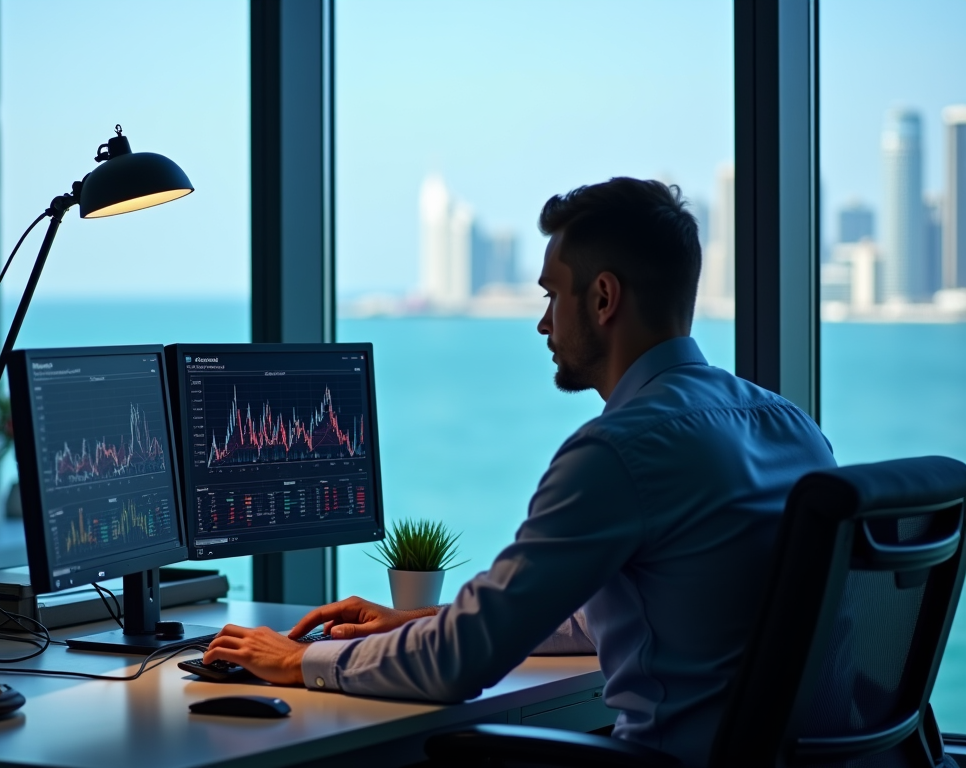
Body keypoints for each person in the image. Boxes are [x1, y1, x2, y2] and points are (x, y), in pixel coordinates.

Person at [203, 177, 836, 767]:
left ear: (604, 298)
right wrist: (423, 618)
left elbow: (460, 663)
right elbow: (620, 613)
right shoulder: (789, 424)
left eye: (552, 295)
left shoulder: (620, 451)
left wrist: (301, 660)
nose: (543, 321)